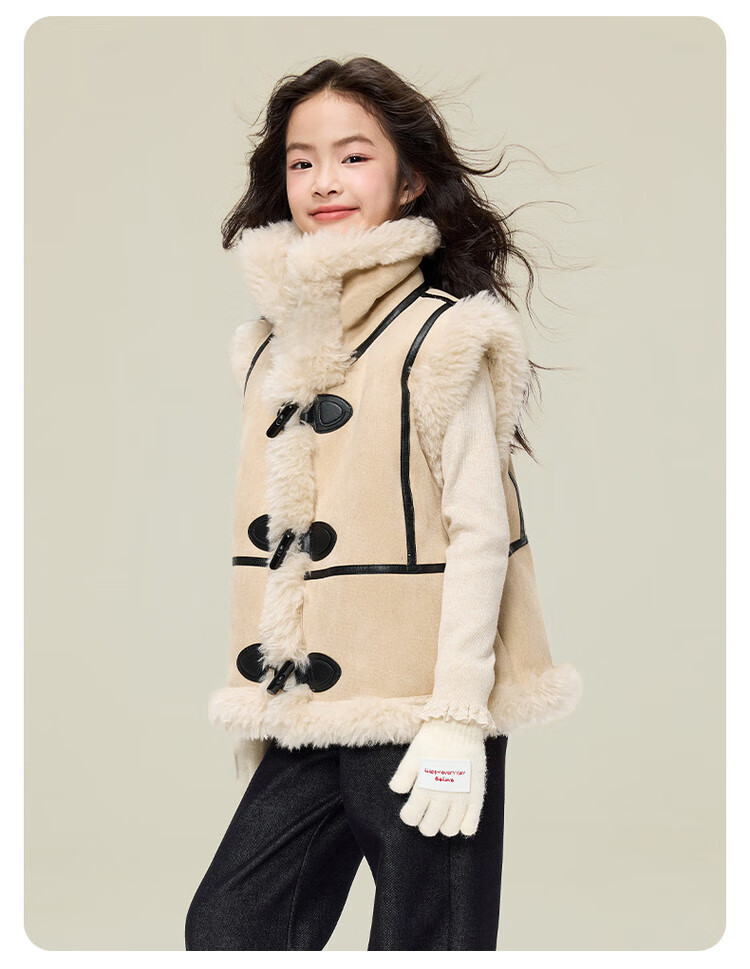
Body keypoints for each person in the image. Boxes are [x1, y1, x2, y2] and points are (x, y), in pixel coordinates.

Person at [185, 56, 583, 952]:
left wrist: (457, 717)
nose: (324, 180)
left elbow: (481, 533)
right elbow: (283, 537)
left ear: (410, 182)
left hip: (421, 704)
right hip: (309, 713)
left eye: (354, 156)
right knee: (229, 926)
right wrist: (267, 699)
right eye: (302, 161)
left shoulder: (446, 333)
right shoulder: (266, 350)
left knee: (426, 941)